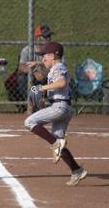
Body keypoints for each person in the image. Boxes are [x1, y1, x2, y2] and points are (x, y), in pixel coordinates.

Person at [25, 41, 87, 186]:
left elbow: (61, 83)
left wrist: (41, 88)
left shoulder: (58, 68)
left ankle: (56, 143)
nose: (42, 59)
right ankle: (76, 170)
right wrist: (38, 64)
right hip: (64, 107)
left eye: (44, 56)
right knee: (58, 142)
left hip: (59, 107)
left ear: (53, 55)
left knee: (29, 122)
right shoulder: (56, 66)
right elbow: (53, 72)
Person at [16, 24, 55, 110]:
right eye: (46, 37)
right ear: (38, 38)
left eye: (49, 36)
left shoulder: (54, 50)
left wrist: (45, 74)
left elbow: (58, 67)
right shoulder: (27, 50)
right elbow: (21, 67)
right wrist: (34, 72)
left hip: (47, 78)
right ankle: (34, 103)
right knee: (21, 78)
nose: (49, 39)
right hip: (33, 79)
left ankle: (56, 105)